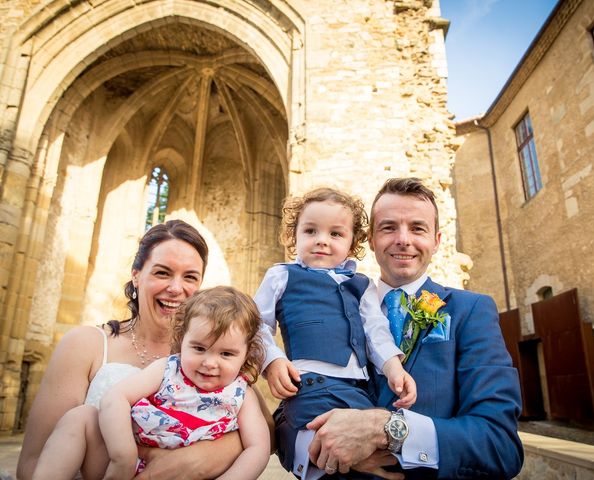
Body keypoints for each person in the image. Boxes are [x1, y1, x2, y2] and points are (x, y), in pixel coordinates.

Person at [303, 178, 524, 479]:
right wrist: (314, 447)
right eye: (389, 227)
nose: (403, 239)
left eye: (417, 228)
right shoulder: (329, 307)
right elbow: (292, 403)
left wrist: (387, 429)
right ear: (370, 239)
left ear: (437, 240)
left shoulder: (471, 311)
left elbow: (500, 445)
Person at [18, 220, 268, 480]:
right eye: (162, 272)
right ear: (136, 274)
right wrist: (123, 459)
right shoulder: (87, 344)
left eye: (190, 277)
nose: (175, 288)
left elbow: (266, 438)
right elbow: (33, 463)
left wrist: (201, 458)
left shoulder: (224, 368)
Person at [254, 187, 416, 478]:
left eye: (335, 234)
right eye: (310, 231)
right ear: (295, 236)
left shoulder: (362, 284)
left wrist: (393, 366)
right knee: (324, 460)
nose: (321, 241)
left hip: (358, 393)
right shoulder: (281, 275)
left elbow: (375, 331)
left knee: (371, 460)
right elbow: (255, 326)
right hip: (310, 388)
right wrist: (272, 360)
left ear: (353, 243)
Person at [32, 286, 271, 480]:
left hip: (189, 474)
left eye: (226, 354)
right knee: (81, 417)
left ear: (246, 353)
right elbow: (116, 397)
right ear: (182, 339)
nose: (210, 362)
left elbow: (258, 448)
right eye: (198, 348)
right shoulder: (169, 368)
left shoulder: (241, 393)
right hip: (126, 464)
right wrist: (122, 455)